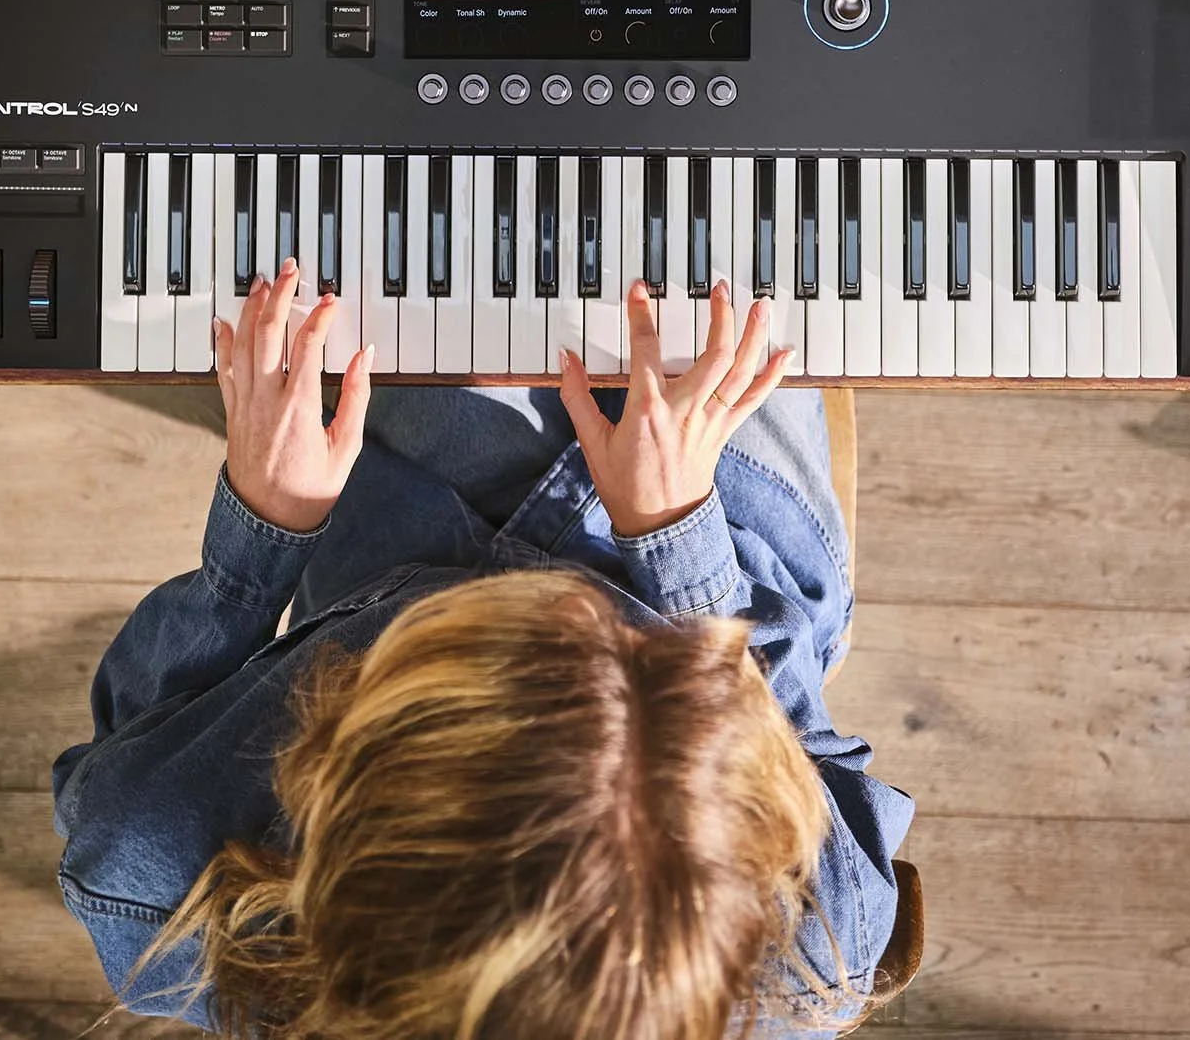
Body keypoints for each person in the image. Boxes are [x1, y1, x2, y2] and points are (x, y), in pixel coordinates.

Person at [52, 259, 916, 1038]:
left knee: (444, 254)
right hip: (724, 568)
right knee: (750, 243)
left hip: (399, 540)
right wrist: (676, 543)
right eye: (635, 664)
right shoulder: (809, 955)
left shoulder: (152, 888)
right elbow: (791, 727)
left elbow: (148, 727)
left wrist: (264, 527)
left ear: (330, 764)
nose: (583, 608)